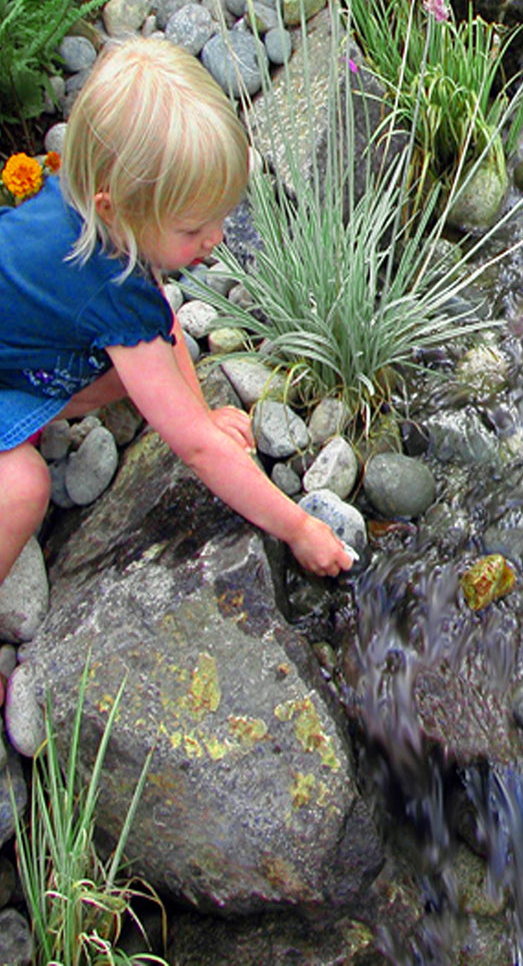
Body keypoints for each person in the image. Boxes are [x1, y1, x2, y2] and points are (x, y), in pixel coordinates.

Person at [0, 37, 353, 648]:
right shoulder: (107, 282)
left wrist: (206, 412)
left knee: (133, 367)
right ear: (116, 209)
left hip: (19, 353)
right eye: (193, 227)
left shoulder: (94, 218)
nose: (215, 239)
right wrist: (296, 527)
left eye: (219, 217)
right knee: (25, 486)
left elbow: (160, 320)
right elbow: (195, 451)